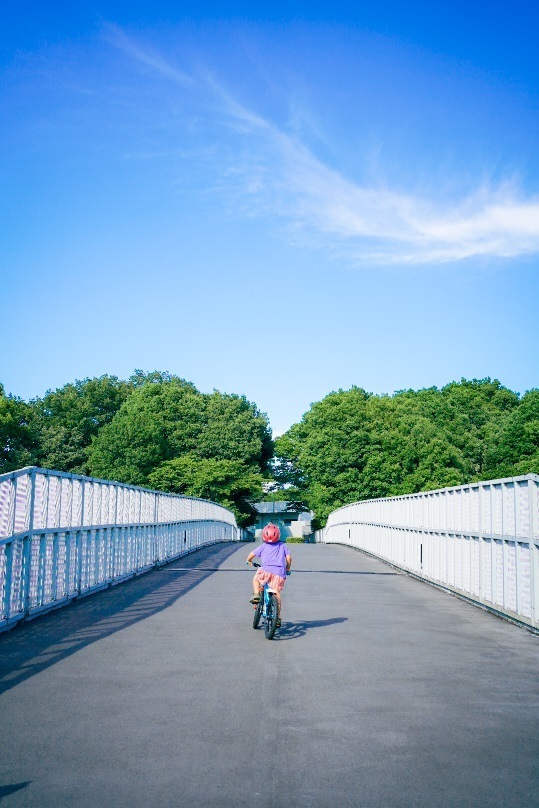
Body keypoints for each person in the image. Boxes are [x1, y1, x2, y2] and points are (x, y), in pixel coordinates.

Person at [246, 522, 291, 628]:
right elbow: (289, 558)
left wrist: (249, 561)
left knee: (256, 579)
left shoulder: (263, 546)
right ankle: (278, 618)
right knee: (277, 594)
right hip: (279, 573)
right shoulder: (283, 546)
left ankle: (257, 594)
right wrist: (287, 568)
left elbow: (251, 555)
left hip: (265, 570)